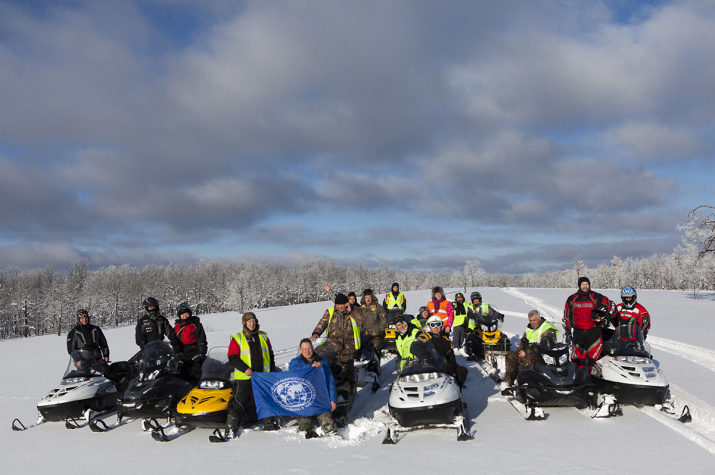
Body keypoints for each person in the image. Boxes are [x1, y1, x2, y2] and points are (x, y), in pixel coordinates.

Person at [225, 312, 277, 436]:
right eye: (249, 321)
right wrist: (244, 368)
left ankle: (269, 423)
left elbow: (270, 355)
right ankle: (230, 428)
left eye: (253, 321)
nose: (252, 323)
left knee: (266, 399)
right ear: (245, 323)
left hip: (263, 375)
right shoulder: (237, 338)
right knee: (239, 402)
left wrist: (272, 372)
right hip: (245, 376)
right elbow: (232, 357)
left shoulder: (263, 336)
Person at [310, 293, 366, 393]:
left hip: (348, 348)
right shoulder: (330, 311)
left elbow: (362, 321)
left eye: (342, 304)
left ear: (346, 304)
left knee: (347, 372)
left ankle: (351, 391)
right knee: (329, 369)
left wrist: (352, 310)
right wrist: (316, 333)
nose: (340, 307)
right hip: (332, 347)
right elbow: (322, 323)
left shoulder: (353, 311)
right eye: (338, 305)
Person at [563, 277, 617, 372]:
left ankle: (595, 381)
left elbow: (612, 305)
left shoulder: (595, 296)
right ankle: (579, 380)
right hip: (578, 333)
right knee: (578, 360)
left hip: (594, 332)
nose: (585, 286)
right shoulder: (572, 299)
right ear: (579, 285)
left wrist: (608, 317)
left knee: (595, 360)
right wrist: (568, 330)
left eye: (587, 284)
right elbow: (567, 315)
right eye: (583, 284)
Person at [288, 339, 338, 438]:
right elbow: (293, 372)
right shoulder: (296, 362)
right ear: (301, 350)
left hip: (319, 398)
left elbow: (329, 382)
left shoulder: (322, 362)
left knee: (328, 423)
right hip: (303, 401)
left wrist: (332, 399)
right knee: (305, 426)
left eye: (309, 348)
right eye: (305, 349)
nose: (308, 351)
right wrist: (310, 367)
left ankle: (333, 439)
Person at [504, 310, 558, 388]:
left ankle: (526, 384)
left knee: (528, 356)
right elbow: (523, 341)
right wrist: (520, 351)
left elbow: (546, 347)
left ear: (539, 318)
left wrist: (526, 351)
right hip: (527, 352)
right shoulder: (529, 328)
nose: (532, 322)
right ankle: (511, 384)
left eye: (534, 320)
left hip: (542, 356)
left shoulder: (548, 328)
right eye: (530, 320)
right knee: (510, 356)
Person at [420, 316, 468, 389]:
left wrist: (451, 367)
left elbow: (451, 356)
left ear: (441, 325)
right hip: (430, 365)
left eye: (438, 324)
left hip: (444, 365)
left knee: (462, 371)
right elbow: (416, 346)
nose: (436, 327)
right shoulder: (426, 336)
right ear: (429, 326)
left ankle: (457, 390)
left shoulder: (446, 340)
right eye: (433, 325)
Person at [173, 302, 208, 383]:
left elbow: (201, 340)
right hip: (181, 353)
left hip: (193, 352)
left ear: (190, 313)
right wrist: (175, 350)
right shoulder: (177, 326)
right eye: (182, 314)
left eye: (186, 314)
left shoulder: (195, 325)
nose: (184, 316)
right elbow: (173, 339)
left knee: (195, 374)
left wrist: (201, 354)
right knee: (181, 375)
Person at [359, 288, 388, 356]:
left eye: (369, 297)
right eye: (366, 297)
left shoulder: (378, 307)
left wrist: (382, 330)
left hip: (377, 335)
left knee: (376, 350)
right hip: (365, 335)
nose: (368, 299)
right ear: (364, 298)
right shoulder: (361, 309)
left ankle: (376, 365)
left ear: (372, 297)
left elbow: (383, 318)